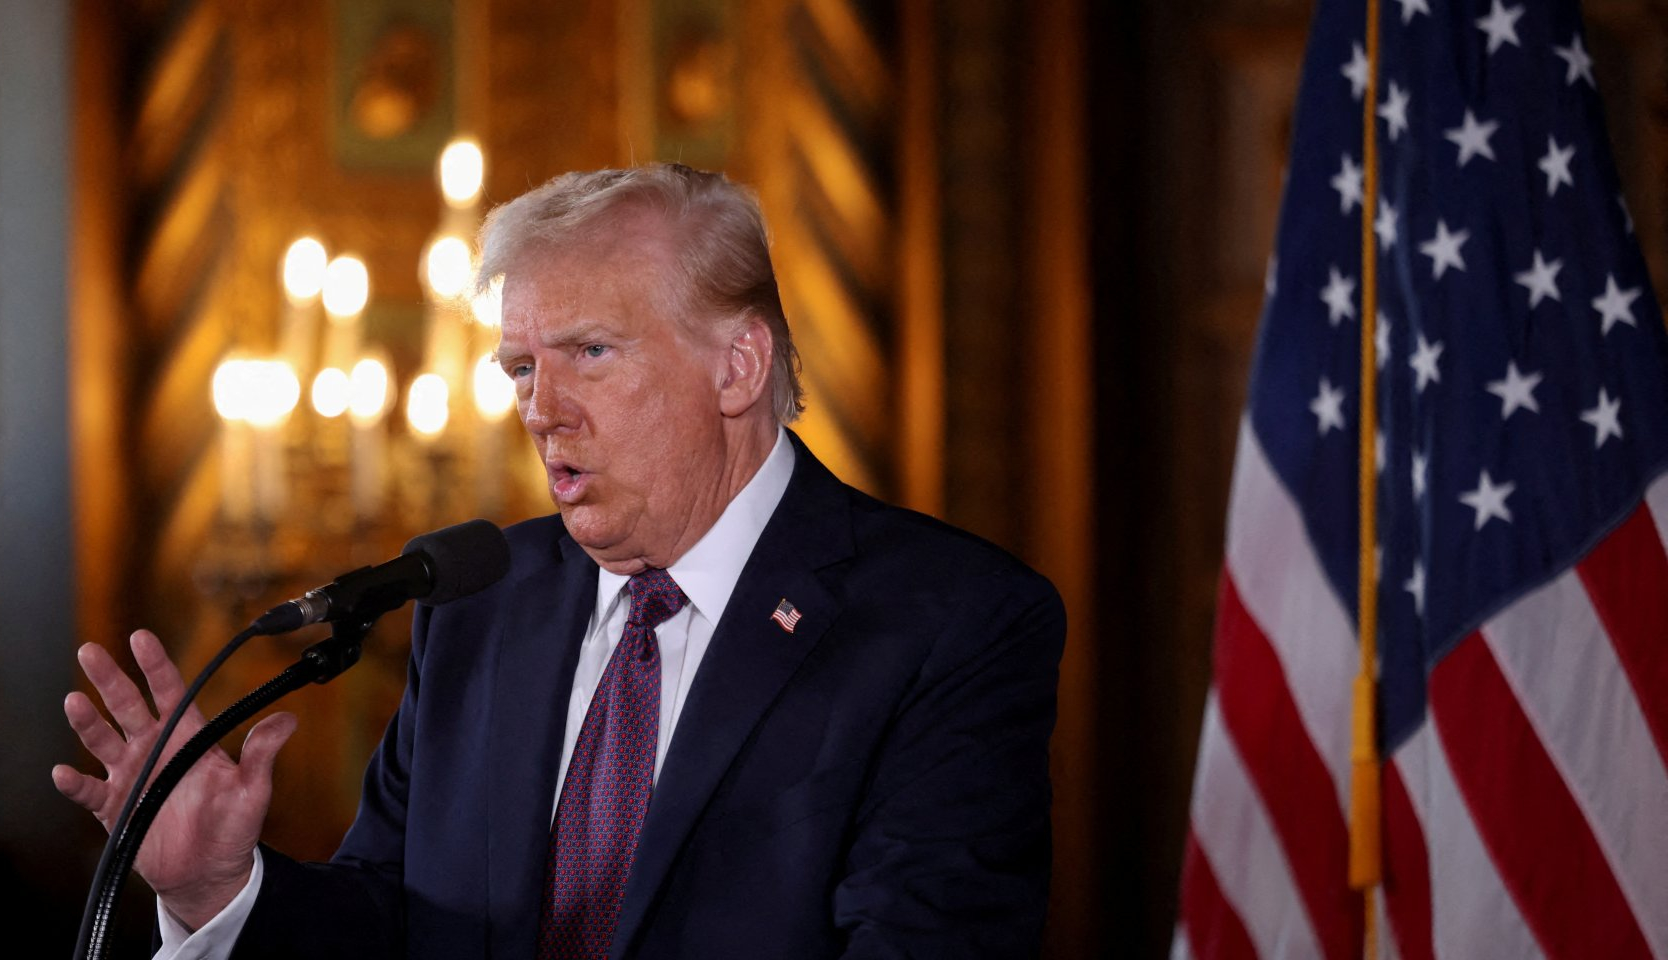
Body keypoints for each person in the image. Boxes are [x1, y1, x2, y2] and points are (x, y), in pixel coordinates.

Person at [54, 163, 1066, 959]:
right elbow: (397, 927)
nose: (541, 410)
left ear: (738, 366)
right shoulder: (483, 601)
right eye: (522, 368)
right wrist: (216, 889)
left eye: (590, 354)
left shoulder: (951, 622)